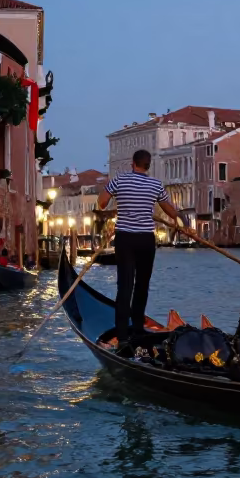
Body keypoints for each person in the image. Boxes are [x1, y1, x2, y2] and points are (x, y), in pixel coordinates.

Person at [96, 149, 181, 350]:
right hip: (146, 240)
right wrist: (177, 222)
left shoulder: (120, 181)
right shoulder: (156, 185)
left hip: (125, 238)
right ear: (148, 165)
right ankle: (138, 329)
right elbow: (169, 209)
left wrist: (115, 204)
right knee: (142, 285)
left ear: (132, 163)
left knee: (125, 286)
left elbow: (101, 203)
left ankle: (123, 336)